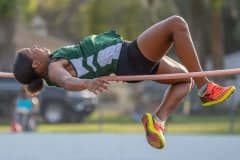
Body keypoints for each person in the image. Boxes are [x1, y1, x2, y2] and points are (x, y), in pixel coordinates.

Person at [13, 15, 236, 149]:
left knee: (183, 79)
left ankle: (157, 121)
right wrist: (86, 85)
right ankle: (206, 88)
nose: (38, 47)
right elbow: (67, 81)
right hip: (129, 57)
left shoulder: (52, 62)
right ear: (35, 65)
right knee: (176, 24)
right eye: (34, 51)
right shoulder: (53, 68)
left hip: (128, 57)